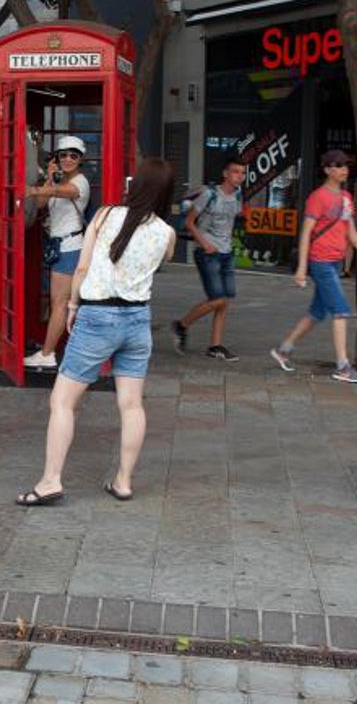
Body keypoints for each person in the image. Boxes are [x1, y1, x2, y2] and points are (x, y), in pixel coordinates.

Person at [16, 157, 176, 506]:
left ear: (135, 185)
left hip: (98, 316)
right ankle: (123, 481)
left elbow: (83, 267)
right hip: (137, 321)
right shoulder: (168, 233)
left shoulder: (105, 215)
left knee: (62, 400)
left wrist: (73, 306)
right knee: (131, 404)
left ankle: (50, 481)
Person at [269, 149, 357, 383]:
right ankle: (343, 367)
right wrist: (301, 268)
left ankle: (283, 351)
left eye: (346, 165)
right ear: (328, 169)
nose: (344, 170)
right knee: (341, 311)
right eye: (339, 166)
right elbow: (306, 232)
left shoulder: (347, 198)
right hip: (320, 262)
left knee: (317, 313)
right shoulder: (317, 197)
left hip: (334, 261)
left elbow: (350, 231)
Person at [24, 134, 92, 370]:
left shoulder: (80, 182)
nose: (68, 159)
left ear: (80, 159)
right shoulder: (56, 183)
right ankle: (51, 350)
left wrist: (32, 189)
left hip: (71, 247)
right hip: (58, 246)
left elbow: (69, 192)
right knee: (60, 303)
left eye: (74, 155)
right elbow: (42, 204)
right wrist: (49, 178)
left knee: (60, 303)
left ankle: (48, 353)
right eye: (63, 155)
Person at [171, 156, 247, 361]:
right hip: (207, 253)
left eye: (242, 173)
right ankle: (182, 325)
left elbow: (231, 222)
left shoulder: (238, 195)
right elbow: (189, 222)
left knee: (224, 301)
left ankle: (215, 346)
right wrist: (204, 243)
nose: (239, 176)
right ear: (225, 174)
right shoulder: (209, 195)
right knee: (218, 299)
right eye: (235, 172)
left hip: (226, 253)